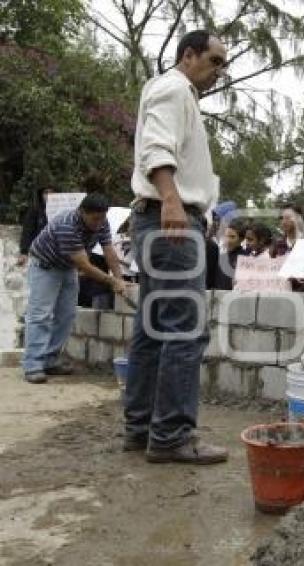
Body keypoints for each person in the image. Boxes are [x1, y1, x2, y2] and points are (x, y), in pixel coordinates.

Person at [125, 30, 228, 465]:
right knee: (185, 328)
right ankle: (170, 436)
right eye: (215, 60)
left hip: (158, 219)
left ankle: (142, 427)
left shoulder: (172, 91)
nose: (220, 71)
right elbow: (156, 148)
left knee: (153, 327)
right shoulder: (174, 88)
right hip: (169, 220)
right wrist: (171, 200)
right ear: (189, 55)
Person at [22, 193, 126, 383]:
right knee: (41, 315)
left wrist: (120, 279)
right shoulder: (67, 225)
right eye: (95, 219)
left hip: (66, 267)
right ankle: (33, 365)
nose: (98, 223)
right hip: (44, 266)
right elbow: (84, 265)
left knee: (67, 315)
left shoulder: (102, 222)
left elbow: (109, 251)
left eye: (102, 218)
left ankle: (50, 361)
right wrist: (112, 282)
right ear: (82, 212)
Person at [17, 187, 52, 267]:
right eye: (46, 193)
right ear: (41, 195)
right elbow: (27, 230)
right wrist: (24, 252)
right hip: (39, 251)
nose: (49, 195)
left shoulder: (63, 211)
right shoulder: (35, 210)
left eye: (52, 193)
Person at [212, 220, 248, 290]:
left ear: (241, 239)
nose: (228, 240)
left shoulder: (246, 258)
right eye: (226, 236)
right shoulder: (222, 257)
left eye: (232, 237)